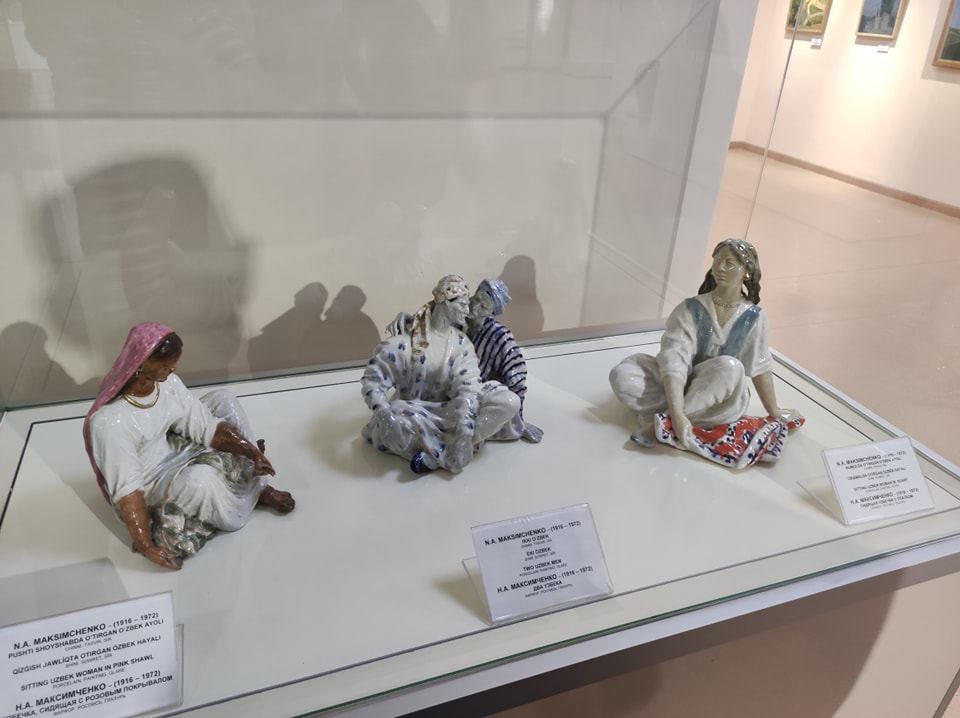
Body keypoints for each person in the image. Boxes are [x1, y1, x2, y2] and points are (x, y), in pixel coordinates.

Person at [83, 322, 294, 570]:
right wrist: (145, 544)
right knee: (201, 479)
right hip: (150, 481)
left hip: (172, 447)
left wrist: (250, 450)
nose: (173, 368)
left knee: (224, 400)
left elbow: (206, 427)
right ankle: (242, 500)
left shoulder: (167, 384)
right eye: (166, 364)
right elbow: (128, 489)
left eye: (174, 362)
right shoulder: (111, 422)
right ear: (140, 363)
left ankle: (257, 485)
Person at [609, 239, 803, 451]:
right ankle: (682, 415)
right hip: (680, 384)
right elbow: (674, 360)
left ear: (747, 273)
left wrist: (774, 411)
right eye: (717, 260)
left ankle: (664, 423)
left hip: (722, 392)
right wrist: (678, 407)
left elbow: (760, 367)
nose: (720, 268)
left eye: (729, 263)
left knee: (730, 366)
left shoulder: (754, 317)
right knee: (623, 375)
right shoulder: (690, 309)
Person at [361, 275, 520, 474]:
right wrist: (386, 418)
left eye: (481, 305)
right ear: (446, 301)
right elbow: (372, 383)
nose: (468, 309)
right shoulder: (405, 341)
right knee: (395, 418)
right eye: (464, 303)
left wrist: (465, 433)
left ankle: (441, 453)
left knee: (508, 401)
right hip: (416, 412)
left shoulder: (463, 343)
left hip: (454, 410)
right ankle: (452, 452)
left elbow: (469, 388)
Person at [387, 277, 543, 443]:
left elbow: (516, 378)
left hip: (473, 395)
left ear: (492, 313)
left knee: (508, 402)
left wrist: (518, 420)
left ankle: (457, 441)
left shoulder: (501, 337)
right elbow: (431, 318)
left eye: (483, 306)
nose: (474, 306)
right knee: (401, 405)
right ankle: (441, 434)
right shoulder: (457, 315)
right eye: (476, 299)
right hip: (440, 391)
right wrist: (408, 319)